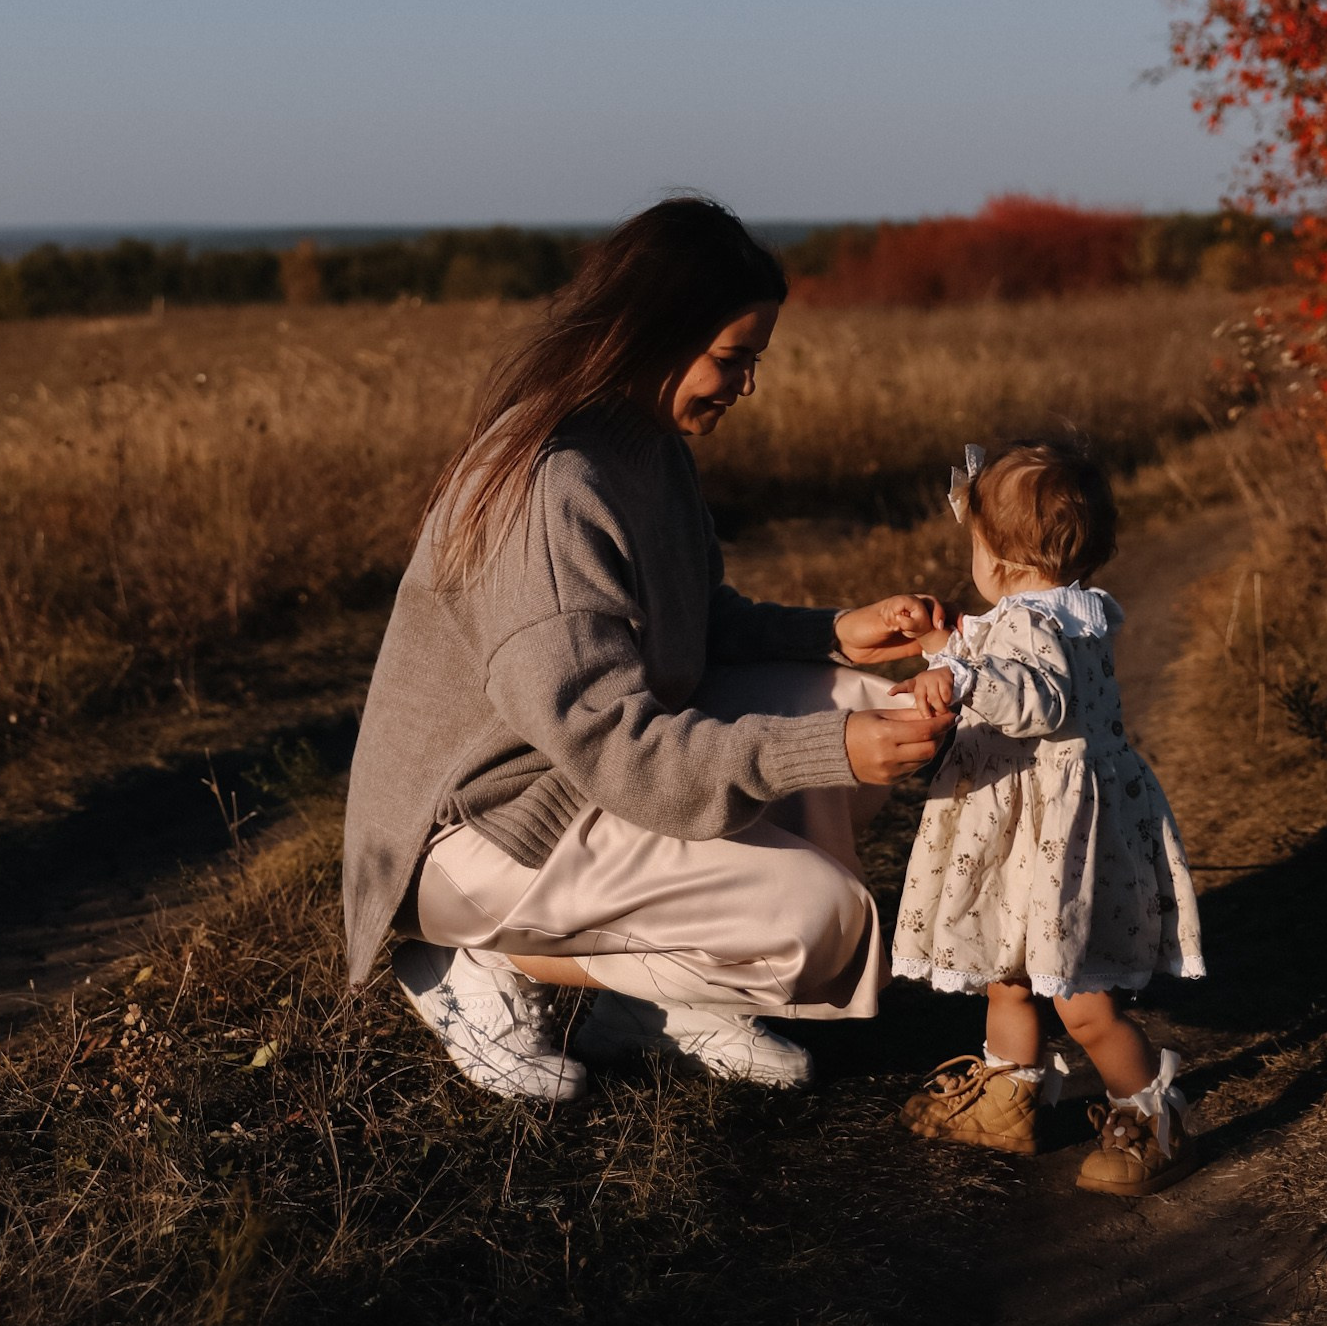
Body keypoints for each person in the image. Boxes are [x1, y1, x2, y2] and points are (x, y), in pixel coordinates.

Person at [342, 196, 949, 1103]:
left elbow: (693, 622)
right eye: (732, 361)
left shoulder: (646, 445)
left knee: (865, 703)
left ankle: (645, 1002)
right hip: (481, 833)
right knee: (821, 921)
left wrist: (832, 632)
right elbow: (615, 743)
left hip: (576, 783)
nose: (746, 387)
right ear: (652, 338)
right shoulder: (552, 487)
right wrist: (823, 750)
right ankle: (478, 963)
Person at [893, 439, 1205, 1196]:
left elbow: (1038, 698)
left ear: (996, 561)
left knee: (1082, 1001)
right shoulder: (1067, 612)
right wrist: (945, 645)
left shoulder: (1036, 626)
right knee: (1008, 972)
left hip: (1050, 838)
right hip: (1031, 832)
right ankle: (1010, 1094)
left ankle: (1150, 1113)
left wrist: (960, 676)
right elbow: (1012, 660)